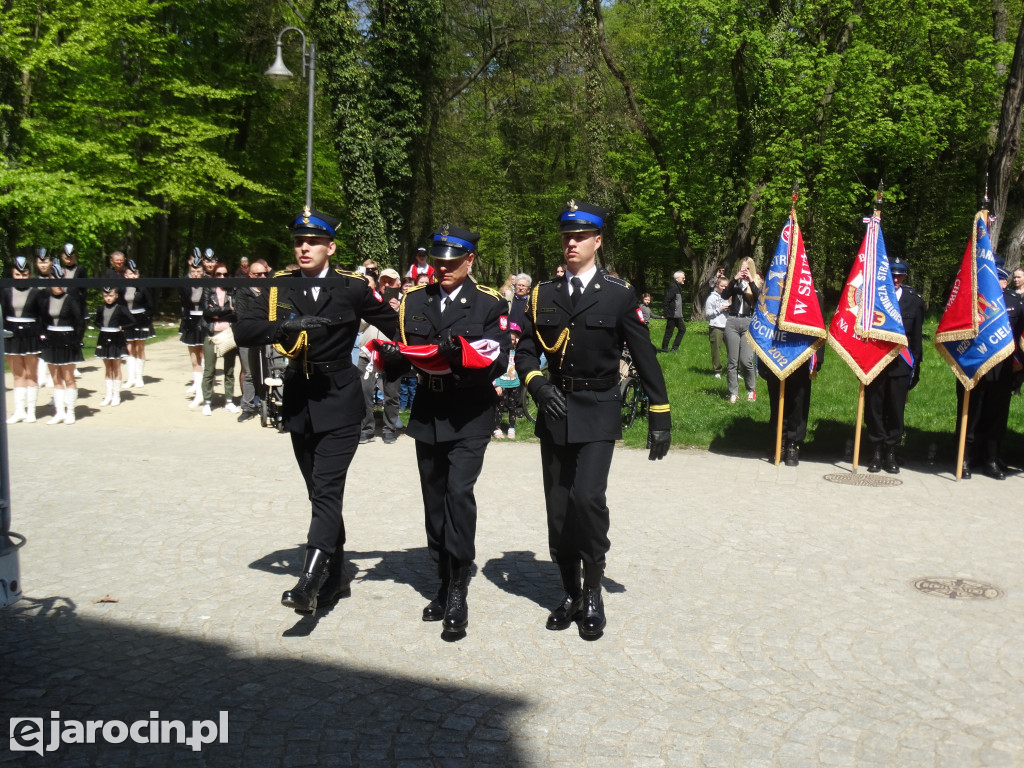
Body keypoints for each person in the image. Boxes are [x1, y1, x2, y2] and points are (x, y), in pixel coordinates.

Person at [515, 200, 671, 639]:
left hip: (599, 408)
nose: (572, 243)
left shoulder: (618, 294)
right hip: (555, 409)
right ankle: (569, 593)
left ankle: (593, 591)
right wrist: (538, 386)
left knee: (587, 499)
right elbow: (525, 350)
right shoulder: (543, 294)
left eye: (580, 236)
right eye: (567, 236)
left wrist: (660, 413)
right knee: (559, 508)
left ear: (597, 241)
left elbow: (644, 355)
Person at [233, 205, 398, 616]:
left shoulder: (351, 287)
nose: (304, 248)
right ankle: (337, 574)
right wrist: (281, 328)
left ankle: (308, 582)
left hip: (340, 397)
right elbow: (244, 329)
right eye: (299, 242)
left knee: (326, 489)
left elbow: (396, 323)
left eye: (313, 241)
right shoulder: (279, 287)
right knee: (317, 492)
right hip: (299, 399)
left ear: (331, 247)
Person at [377, 223, 510, 636]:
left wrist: (462, 357)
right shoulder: (415, 300)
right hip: (429, 410)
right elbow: (402, 348)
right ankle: (441, 574)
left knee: (457, 493)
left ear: (469, 260)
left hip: (470, 411)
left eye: (452, 262)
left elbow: (498, 357)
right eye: (438, 261)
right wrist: (393, 361)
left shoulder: (489, 302)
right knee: (434, 500)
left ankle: (457, 587)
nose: (443, 268)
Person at [864, 258, 924, 474]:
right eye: (893, 275)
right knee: (875, 408)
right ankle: (876, 451)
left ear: (905, 276)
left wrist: (916, 366)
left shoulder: (914, 302)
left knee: (896, 409)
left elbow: (916, 338)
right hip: (876, 363)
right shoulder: (873, 298)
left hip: (901, 364)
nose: (896, 279)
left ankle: (891, 452)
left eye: (900, 275)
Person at [761, 288, 826, 467]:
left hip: (800, 358)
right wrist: (762, 361)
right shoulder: (773, 291)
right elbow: (763, 327)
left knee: (798, 403)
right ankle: (778, 442)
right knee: (777, 402)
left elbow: (819, 329)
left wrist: (818, 359)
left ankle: (793, 444)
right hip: (775, 355)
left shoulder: (812, 293)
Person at [35, 262, 85, 424]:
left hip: (68, 341)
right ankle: (59, 412)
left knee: (69, 378)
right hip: (51, 341)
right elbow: (42, 320)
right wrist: (43, 336)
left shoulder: (71, 299)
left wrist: (76, 340)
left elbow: (80, 322)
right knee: (56, 379)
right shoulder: (45, 300)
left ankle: (70, 412)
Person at [3, 256, 43, 423]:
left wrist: (41, 335)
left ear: (29, 274)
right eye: (18, 274)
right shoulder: (5, 291)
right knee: (18, 374)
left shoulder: (36, 292)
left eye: (24, 274)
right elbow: (3, 314)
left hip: (30, 333)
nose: (21, 277)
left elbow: (41, 316)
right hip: (11, 333)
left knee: (31, 374)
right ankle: (19, 411)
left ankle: (31, 411)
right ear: (13, 274)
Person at [233, 258, 270, 422]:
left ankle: (265, 403)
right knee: (248, 373)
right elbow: (241, 316)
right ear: (250, 275)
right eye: (258, 274)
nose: (262, 277)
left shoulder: (270, 291)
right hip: (248, 337)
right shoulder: (243, 292)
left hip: (266, 337)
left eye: (264, 273)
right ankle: (247, 407)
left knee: (267, 371)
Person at [200, 261, 238, 415]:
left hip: (228, 333)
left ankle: (229, 400)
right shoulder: (208, 289)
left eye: (225, 274)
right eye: (218, 274)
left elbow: (235, 312)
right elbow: (206, 311)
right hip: (211, 333)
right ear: (213, 275)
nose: (222, 277)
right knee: (209, 369)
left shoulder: (232, 291)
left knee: (229, 369)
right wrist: (226, 309)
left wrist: (216, 312)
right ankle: (207, 402)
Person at [722, 257, 761, 403]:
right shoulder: (735, 284)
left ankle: (751, 389)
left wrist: (750, 281)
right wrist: (734, 280)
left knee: (746, 360)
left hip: (748, 322)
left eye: (747, 268)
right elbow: (724, 295)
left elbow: (760, 300)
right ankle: (733, 392)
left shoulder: (756, 283)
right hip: (732, 321)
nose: (744, 271)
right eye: (742, 268)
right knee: (732, 361)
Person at [93, 288, 134, 407]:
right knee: (108, 368)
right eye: (106, 296)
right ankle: (108, 395)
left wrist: (122, 327)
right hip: (104, 337)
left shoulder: (121, 308)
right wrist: (102, 327)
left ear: (116, 296)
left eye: (111, 295)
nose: (108, 298)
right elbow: (96, 321)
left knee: (116, 367)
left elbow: (132, 321)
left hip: (117, 338)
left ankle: (116, 395)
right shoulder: (101, 308)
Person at [122, 260, 156, 389]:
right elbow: (120, 305)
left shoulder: (143, 286)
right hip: (127, 319)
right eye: (130, 274)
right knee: (129, 349)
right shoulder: (122, 288)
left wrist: (147, 319)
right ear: (126, 275)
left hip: (141, 318)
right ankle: (131, 378)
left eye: (135, 273)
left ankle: (139, 377)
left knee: (139, 348)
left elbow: (151, 305)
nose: (133, 276)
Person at [180, 251, 208, 406]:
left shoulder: (208, 283)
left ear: (203, 272)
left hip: (204, 321)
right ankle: (198, 393)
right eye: (193, 271)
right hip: (190, 320)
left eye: (198, 271)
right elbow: (184, 303)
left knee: (204, 355)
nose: (196, 274)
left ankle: (205, 390)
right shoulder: (185, 282)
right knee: (194, 358)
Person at [493, 322, 522, 438]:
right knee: (500, 406)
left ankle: (511, 427)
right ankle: (497, 427)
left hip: (514, 383)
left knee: (513, 406)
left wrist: (519, 343)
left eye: (515, 339)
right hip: (502, 383)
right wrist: (497, 384)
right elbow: (494, 368)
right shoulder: (500, 352)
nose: (512, 342)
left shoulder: (517, 351)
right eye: (511, 339)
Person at [704, 275, 729, 378]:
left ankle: (733, 370)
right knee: (716, 350)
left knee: (732, 349)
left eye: (726, 286)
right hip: (716, 326)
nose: (724, 288)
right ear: (717, 285)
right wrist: (720, 309)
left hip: (728, 326)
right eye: (722, 286)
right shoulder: (711, 298)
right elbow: (707, 315)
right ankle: (717, 370)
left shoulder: (728, 297)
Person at [660, 270, 686, 352]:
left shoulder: (678, 287)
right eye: (683, 278)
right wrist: (666, 313)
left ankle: (674, 348)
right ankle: (664, 348)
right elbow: (666, 300)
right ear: (677, 279)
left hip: (677, 315)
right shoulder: (674, 287)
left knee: (682, 329)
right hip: (672, 315)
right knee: (669, 332)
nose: (684, 279)